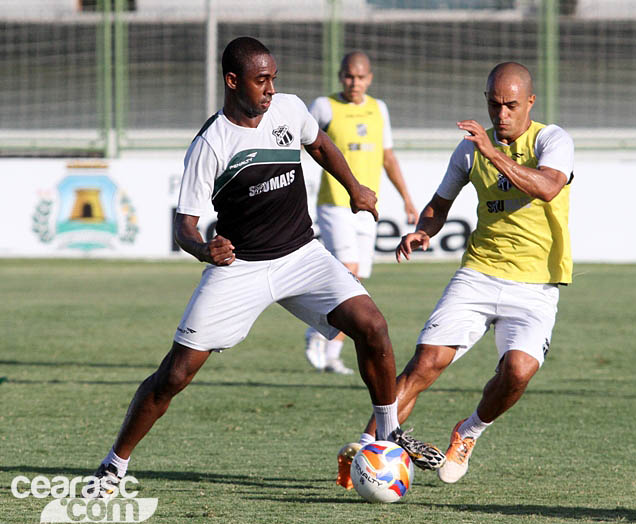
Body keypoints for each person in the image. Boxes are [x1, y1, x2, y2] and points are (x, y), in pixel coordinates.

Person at [88, 36, 442, 495]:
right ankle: (113, 465)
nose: (271, 88)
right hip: (241, 267)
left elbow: (321, 146)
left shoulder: (289, 110)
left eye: (274, 78)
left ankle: (389, 431)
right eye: (261, 80)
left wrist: (354, 187)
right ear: (233, 81)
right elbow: (185, 227)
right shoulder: (210, 143)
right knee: (174, 375)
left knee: (372, 325)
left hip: (302, 255)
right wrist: (203, 249)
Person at [335, 61, 575, 488]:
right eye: (494, 104)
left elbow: (547, 187)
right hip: (479, 274)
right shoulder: (469, 150)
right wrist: (423, 231)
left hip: (537, 285)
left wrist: (493, 153)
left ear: (530, 103)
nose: (501, 114)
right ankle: (367, 448)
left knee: (518, 371)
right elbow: (439, 204)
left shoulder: (552, 139)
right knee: (424, 364)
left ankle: (468, 433)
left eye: (511, 106)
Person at [304, 51, 419, 375]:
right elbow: (300, 147)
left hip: (368, 205)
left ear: (370, 78)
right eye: (349, 76)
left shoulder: (378, 108)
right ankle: (315, 332)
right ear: (341, 76)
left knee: (356, 282)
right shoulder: (324, 106)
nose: (354, 83)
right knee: (348, 270)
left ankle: (332, 353)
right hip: (335, 203)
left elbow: (388, 157)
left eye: (361, 77)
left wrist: (407, 199)